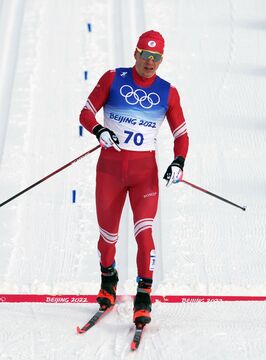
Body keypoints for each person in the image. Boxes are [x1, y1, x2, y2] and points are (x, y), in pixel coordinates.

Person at [79, 30, 189, 326]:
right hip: (110, 172)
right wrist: (99, 131)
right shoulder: (113, 78)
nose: (150, 62)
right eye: (146, 55)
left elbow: (181, 134)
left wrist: (179, 162)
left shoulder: (168, 92)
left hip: (144, 176)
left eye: (157, 57)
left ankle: (144, 296)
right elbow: (86, 113)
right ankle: (108, 279)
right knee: (108, 237)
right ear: (136, 53)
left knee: (145, 235)